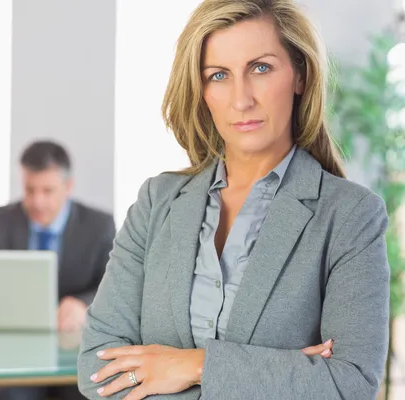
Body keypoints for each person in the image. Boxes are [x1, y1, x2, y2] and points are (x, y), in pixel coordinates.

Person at [77, 1, 389, 399]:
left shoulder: (350, 215)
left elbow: (349, 384)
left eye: (260, 68)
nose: (241, 99)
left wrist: (191, 366)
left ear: (299, 75)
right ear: (201, 89)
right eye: (219, 75)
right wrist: (282, 374)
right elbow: (97, 369)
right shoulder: (157, 202)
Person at [0, 140, 116, 400]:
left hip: (75, 352)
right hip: (15, 353)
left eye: (48, 191)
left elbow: (114, 285)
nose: (37, 202)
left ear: (68, 186)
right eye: (30, 190)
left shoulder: (99, 226)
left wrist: (83, 304)